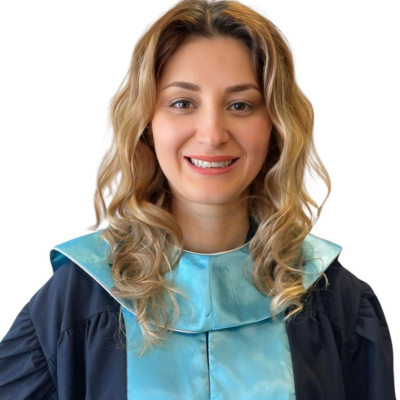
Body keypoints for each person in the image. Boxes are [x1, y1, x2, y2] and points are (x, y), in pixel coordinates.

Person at [0, 0, 396, 399]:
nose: (212, 134)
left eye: (241, 105)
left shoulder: (337, 304)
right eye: (182, 103)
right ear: (147, 123)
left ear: (275, 125)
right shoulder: (76, 303)